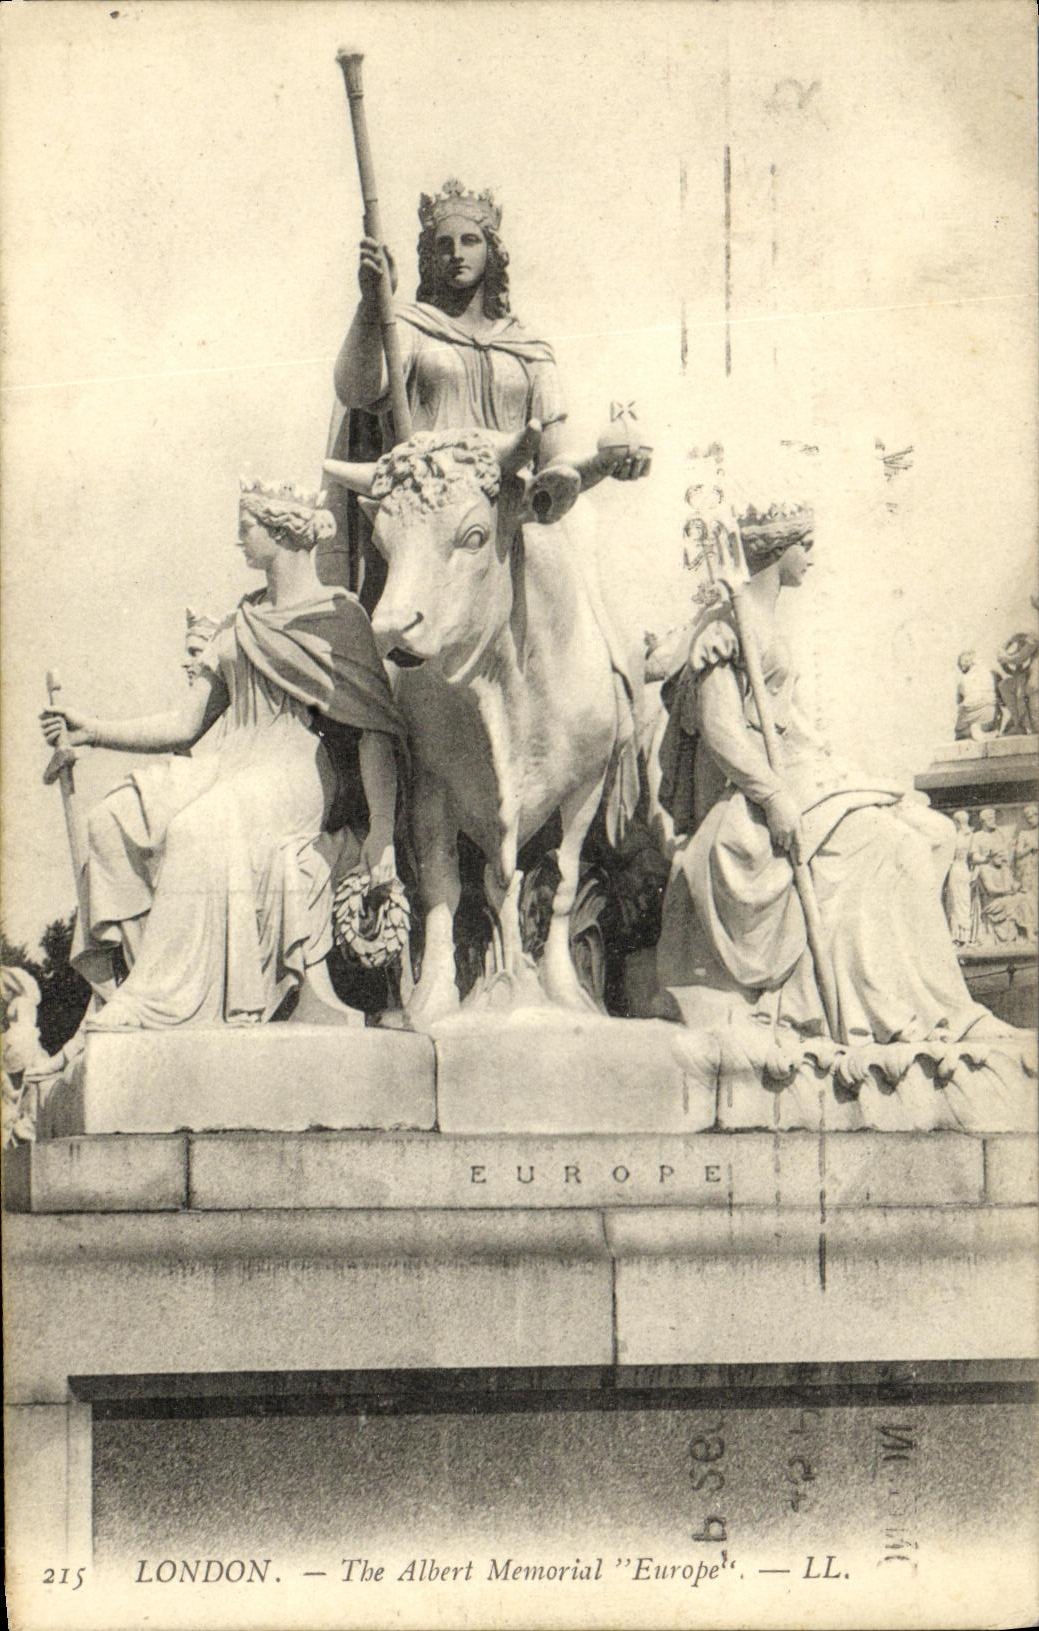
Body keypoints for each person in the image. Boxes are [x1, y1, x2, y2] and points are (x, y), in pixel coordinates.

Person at [40, 481, 406, 1029]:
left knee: (200, 828)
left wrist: (380, 834)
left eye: (246, 529)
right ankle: (129, 988)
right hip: (233, 760)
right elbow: (185, 725)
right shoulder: (241, 621)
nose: (240, 541)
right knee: (113, 819)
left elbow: (375, 732)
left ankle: (163, 999)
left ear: (281, 530)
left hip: (298, 768)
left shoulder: (339, 615)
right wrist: (92, 730)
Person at [655, 509, 1003, 1045]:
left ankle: (941, 1008)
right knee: (890, 847)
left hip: (796, 774)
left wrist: (840, 769)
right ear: (779, 548)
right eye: (806, 544)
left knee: (930, 833)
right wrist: (773, 798)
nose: (813, 557)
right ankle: (888, 1015)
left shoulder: (762, 621)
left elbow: (788, 721)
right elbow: (721, 730)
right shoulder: (726, 626)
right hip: (748, 798)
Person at [331, 177, 648, 609]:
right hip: (429, 523)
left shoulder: (529, 348)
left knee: (594, 595)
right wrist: (373, 303)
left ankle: (622, 670)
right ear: (429, 256)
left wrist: (606, 462)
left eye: (469, 240)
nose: (457, 254)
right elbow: (357, 389)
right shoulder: (407, 327)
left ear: (490, 250)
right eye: (443, 245)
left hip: (511, 520)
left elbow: (555, 460)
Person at [968, 807, 1032, 946]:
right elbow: (974, 856)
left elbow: (1006, 852)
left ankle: (1025, 933)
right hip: (986, 869)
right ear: (983, 821)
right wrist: (988, 859)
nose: (994, 821)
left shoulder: (998, 834)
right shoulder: (977, 836)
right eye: (990, 819)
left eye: (994, 818)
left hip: (1001, 869)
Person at [944, 810, 975, 947]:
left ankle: (959, 935)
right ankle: (961, 935)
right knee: (961, 902)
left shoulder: (957, 837)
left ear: (957, 822)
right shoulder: (970, 835)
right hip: (964, 870)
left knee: (957, 902)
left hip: (957, 870)